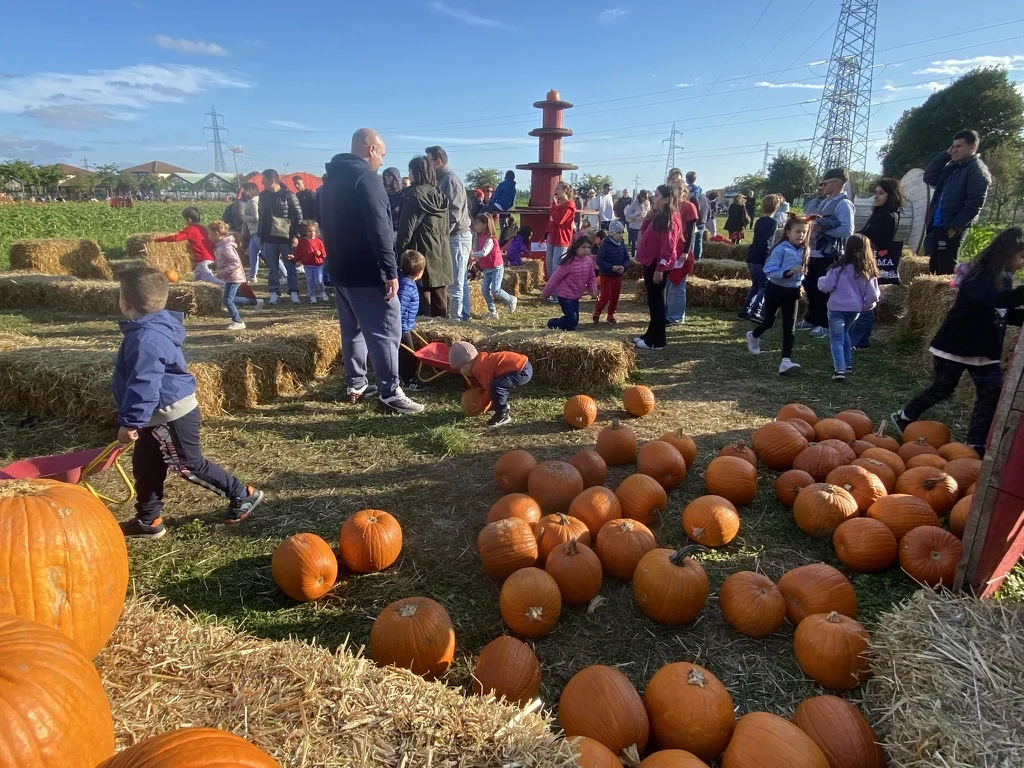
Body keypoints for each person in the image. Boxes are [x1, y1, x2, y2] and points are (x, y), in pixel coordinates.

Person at [113, 265, 264, 538]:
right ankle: (148, 519)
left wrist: (130, 421)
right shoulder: (154, 327)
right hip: (156, 415)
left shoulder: (144, 338)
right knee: (147, 465)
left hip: (169, 415)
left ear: (125, 304)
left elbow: (144, 385)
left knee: (188, 464)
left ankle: (242, 493)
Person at [891, 227, 1024, 457]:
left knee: (990, 393)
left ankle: (975, 443)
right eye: (1022, 257)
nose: (1022, 263)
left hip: (983, 349)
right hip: (957, 344)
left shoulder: (1004, 277)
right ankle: (905, 415)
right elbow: (993, 300)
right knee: (944, 387)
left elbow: (1000, 310)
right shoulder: (981, 275)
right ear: (1007, 253)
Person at [320, 128, 424, 414]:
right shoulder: (366, 178)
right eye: (382, 154)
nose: (382, 161)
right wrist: (390, 269)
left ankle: (356, 383)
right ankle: (391, 390)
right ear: (372, 150)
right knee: (386, 331)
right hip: (367, 270)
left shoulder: (329, 182)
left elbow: (323, 225)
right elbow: (380, 227)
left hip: (341, 269)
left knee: (352, 331)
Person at [745, 215, 810, 375]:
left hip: (792, 292)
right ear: (788, 232)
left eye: (804, 232)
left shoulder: (805, 250)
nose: (800, 235)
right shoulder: (781, 249)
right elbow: (769, 271)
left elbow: (802, 271)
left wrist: (800, 281)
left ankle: (785, 361)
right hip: (775, 290)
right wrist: (787, 273)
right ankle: (753, 335)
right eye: (797, 231)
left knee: (790, 327)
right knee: (768, 322)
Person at [924, 129, 992, 275]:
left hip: (950, 229)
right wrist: (945, 155)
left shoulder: (977, 171)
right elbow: (929, 177)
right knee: (932, 270)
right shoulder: (953, 168)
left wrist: (955, 227)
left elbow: (974, 204)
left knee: (945, 270)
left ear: (972, 147)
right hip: (936, 226)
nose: (954, 150)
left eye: (959, 146)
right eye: (953, 147)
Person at [798, 168, 855, 339]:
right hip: (814, 252)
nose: (823, 186)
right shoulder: (825, 201)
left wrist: (822, 229)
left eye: (826, 183)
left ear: (836, 183)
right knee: (810, 286)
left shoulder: (844, 204)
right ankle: (813, 319)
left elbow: (847, 230)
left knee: (825, 290)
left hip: (829, 254)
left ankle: (825, 323)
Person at [850, 177, 904, 350]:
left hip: (875, 259)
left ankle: (861, 340)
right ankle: (856, 337)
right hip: (868, 258)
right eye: (876, 193)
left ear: (891, 195)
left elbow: (872, 237)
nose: (877, 196)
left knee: (866, 302)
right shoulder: (880, 213)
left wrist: (858, 236)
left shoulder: (888, 215)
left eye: (881, 193)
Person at [817, 234, 880, 381]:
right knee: (845, 333)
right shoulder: (867, 270)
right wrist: (865, 306)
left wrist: (820, 281)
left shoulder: (838, 268)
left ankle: (840, 369)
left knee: (836, 338)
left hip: (836, 308)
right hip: (855, 309)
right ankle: (848, 362)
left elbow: (827, 286)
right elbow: (873, 295)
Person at [396, 156, 453, 319]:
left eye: (409, 170)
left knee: (421, 310)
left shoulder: (411, 195)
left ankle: (425, 344)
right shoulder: (440, 195)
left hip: (420, 256)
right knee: (441, 307)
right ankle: (443, 344)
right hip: (442, 255)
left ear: (416, 172)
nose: (408, 174)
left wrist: (401, 257)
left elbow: (404, 232)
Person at [425, 146, 473, 321]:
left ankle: (457, 320)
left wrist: (441, 235)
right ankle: (464, 317)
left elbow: (454, 213)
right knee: (460, 282)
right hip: (455, 235)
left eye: (429, 160)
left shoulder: (450, 180)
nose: (427, 164)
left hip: (457, 236)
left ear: (438, 161)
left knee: (455, 283)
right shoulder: (442, 179)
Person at [634, 184, 681, 351]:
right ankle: (650, 334)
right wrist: (648, 217)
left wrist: (660, 268)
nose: (653, 197)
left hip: (657, 263)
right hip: (650, 261)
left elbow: (669, 245)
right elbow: (644, 231)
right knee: (653, 301)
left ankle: (657, 341)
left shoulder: (669, 217)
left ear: (666, 199)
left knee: (657, 302)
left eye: (657, 195)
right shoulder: (659, 215)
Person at [448, 340, 533, 429]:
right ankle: (502, 405)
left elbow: (489, 388)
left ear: (466, 363)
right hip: (522, 365)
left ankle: (502, 415)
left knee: (496, 387)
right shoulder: (480, 360)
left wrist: (482, 404)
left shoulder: (479, 369)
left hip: (522, 371)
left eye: (460, 368)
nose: (461, 372)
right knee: (496, 385)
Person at [258, 169, 303, 305]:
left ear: (272, 180)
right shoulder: (263, 195)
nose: (262, 182)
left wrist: (296, 235)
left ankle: (293, 292)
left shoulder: (289, 195)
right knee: (272, 267)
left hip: (286, 237)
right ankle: (274, 292)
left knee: (290, 265)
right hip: (268, 237)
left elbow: (298, 216)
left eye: (264, 180)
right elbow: (261, 215)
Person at [209, 220, 260, 331]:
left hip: (234, 277)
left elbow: (235, 262)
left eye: (210, 234)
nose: (208, 236)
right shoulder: (221, 246)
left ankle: (238, 321)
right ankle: (254, 302)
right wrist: (215, 264)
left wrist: (222, 272)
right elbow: (225, 261)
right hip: (231, 277)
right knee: (229, 299)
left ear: (216, 234)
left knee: (227, 300)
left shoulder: (225, 247)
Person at [153, 207, 223, 286]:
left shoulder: (191, 229)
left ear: (189, 220)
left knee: (212, 281)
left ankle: (231, 287)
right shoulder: (203, 228)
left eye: (185, 220)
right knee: (198, 284)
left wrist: (157, 239)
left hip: (203, 260)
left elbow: (176, 238)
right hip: (209, 259)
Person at [543, 235, 598, 330]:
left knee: (574, 322)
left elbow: (591, 278)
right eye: (583, 247)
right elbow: (555, 278)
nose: (586, 250)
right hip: (564, 295)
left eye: (588, 247)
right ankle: (553, 323)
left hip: (575, 296)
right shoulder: (568, 262)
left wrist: (593, 289)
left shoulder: (589, 262)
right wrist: (546, 292)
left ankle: (567, 328)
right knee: (572, 317)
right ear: (576, 248)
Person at [740, 194, 780, 322]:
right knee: (764, 285)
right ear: (777, 208)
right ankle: (755, 311)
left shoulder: (759, 220)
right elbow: (768, 240)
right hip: (761, 256)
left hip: (752, 254)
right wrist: (769, 255)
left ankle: (745, 310)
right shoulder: (773, 222)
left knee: (756, 285)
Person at [471, 213, 518, 319]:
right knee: (484, 290)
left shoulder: (490, 239)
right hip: (487, 268)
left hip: (496, 267)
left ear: (484, 224)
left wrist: (471, 254)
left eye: (477, 224)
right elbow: (481, 254)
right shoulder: (480, 237)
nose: (475, 226)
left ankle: (510, 299)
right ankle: (492, 312)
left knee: (495, 290)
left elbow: (483, 252)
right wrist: (474, 259)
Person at [665, 181, 699, 326]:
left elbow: (691, 232)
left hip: (681, 248)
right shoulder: (668, 207)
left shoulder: (689, 206)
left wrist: (686, 251)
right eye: (675, 189)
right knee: (666, 284)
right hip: (668, 248)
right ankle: (667, 313)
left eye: (680, 189)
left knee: (677, 285)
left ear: (685, 191)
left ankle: (676, 316)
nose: (678, 192)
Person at [397, 249, 425, 392]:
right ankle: (407, 380)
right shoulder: (406, 287)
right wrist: (399, 326)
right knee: (408, 355)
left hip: (405, 324)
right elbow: (399, 309)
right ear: (420, 272)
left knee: (404, 353)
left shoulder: (403, 280)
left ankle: (402, 375)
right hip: (401, 327)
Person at [594, 220, 629, 324]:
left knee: (615, 296)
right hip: (607, 276)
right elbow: (599, 260)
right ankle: (597, 311)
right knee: (606, 296)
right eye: (618, 232)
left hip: (618, 276)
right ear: (612, 233)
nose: (621, 235)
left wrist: (624, 267)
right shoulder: (605, 245)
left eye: (622, 232)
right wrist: (611, 267)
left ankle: (611, 314)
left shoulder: (622, 245)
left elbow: (626, 259)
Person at [547, 180, 576, 286]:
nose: (555, 191)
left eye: (558, 189)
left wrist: (554, 205)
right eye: (555, 189)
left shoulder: (569, 206)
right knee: (549, 266)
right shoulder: (558, 205)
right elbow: (551, 221)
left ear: (565, 191)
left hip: (561, 239)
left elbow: (559, 220)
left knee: (557, 266)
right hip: (552, 236)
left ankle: (557, 293)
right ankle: (552, 290)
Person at [293, 220, 328, 303]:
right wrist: (293, 257)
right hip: (307, 265)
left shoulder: (318, 241)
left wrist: (319, 253)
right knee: (310, 281)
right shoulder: (302, 242)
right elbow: (298, 253)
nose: (312, 233)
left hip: (318, 265)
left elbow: (323, 252)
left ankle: (322, 292)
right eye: (309, 231)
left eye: (314, 231)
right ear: (305, 231)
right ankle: (312, 296)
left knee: (319, 280)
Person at [239, 182, 263, 281]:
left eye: (244, 189)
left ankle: (285, 273)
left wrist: (244, 218)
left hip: (257, 231)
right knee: (253, 253)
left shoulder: (253, 201)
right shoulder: (256, 200)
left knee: (267, 254)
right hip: (254, 232)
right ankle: (253, 275)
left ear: (249, 190)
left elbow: (256, 218)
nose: (243, 192)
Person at [685, 172, 709, 262]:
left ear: (687, 179)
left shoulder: (688, 191)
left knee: (692, 239)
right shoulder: (702, 194)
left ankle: (690, 257)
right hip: (702, 219)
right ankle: (698, 258)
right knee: (699, 240)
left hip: (693, 218)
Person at [625, 190, 650, 259]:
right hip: (634, 226)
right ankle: (633, 258)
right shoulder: (634, 204)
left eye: (648, 197)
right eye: (645, 197)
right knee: (634, 243)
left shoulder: (647, 203)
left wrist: (646, 215)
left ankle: (640, 257)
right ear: (641, 196)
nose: (646, 199)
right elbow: (627, 215)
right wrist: (636, 215)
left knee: (642, 243)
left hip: (643, 226)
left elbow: (649, 212)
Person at [382, 167, 404, 234]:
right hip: (385, 227)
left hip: (398, 228)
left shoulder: (402, 194)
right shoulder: (382, 192)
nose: (386, 178)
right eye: (385, 175)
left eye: (389, 176)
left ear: (395, 177)